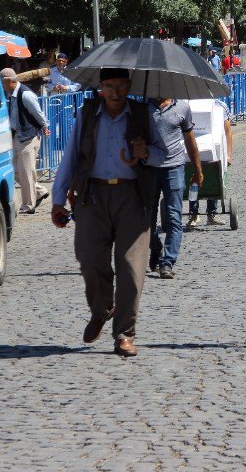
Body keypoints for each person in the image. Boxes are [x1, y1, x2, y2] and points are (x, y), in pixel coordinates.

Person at [50, 68, 166, 357]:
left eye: (120, 86)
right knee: (89, 260)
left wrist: (146, 153)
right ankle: (101, 310)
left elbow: (165, 155)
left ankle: (124, 333)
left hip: (132, 197)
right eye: (108, 86)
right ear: (100, 87)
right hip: (93, 195)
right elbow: (71, 156)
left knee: (130, 268)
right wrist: (56, 199)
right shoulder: (88, 114)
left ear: (129, 86)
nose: (115, 92)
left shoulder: (142, 115)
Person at [148, 97, 204, 279]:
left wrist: (198, 169)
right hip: (149, 168)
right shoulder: (143, 109)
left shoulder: (182, 108)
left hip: (174, 167)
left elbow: (190, 139)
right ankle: (155, 246)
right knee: (146, 217)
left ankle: (167, 262)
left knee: (174, 217)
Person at [0, 68, 51, 214]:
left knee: (26, 172)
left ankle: (28, 205)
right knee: (16, 171)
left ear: (9, 81)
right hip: (18, 135)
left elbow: (38, 113)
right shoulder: (11, 95)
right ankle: (40, 191)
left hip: (29, 136)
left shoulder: (26, 95)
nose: (2, 86)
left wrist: (45, 127)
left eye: (2, 82)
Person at [188, 99, 233, 227]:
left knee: (213, 179)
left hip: (214, 151)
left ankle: (212, 213)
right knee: (193, 180)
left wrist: (228, 155)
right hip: (193, 150)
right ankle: (193, 214)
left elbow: (228, 131)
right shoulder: (189, 104)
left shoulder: (220, 106)